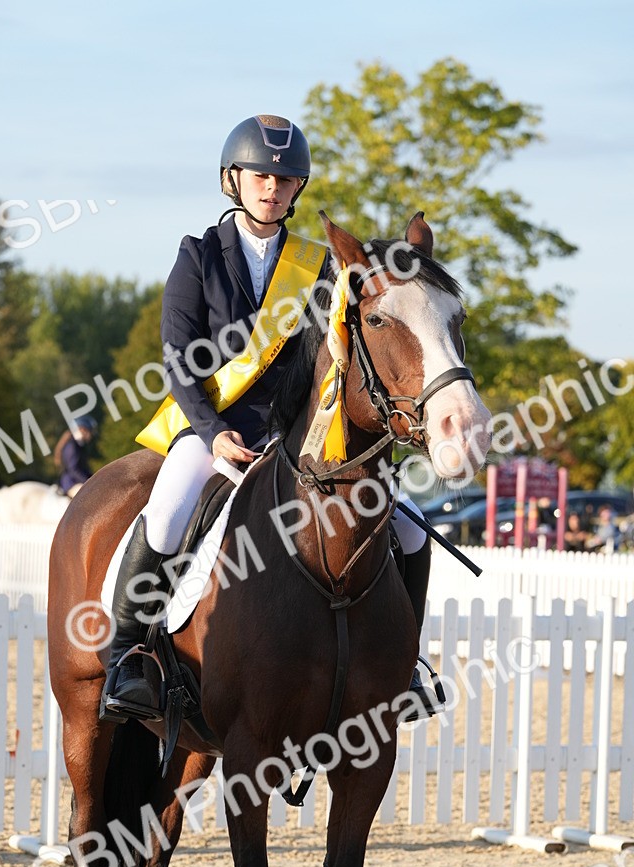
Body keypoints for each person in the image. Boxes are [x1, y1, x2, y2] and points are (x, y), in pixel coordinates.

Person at [104, 114, 441, 719]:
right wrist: (213, 433)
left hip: (299, 437)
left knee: (413, 526)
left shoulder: (316, 265)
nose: (273, 188)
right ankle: (128, 657)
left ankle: (404, 662)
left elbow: (342, 351)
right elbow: (180, 360)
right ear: (234, 180)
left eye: (286, 180)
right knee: (169, 509)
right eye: (261, 176)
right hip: (212, 428)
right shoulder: (199, 255)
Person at [55, 416, 98, 496]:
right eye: (89, 431)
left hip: (77, 481)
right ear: (82, 430)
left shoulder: (80, 446)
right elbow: (73, 469)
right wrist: (88, 481)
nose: (91, 435)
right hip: (71, 482)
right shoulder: (72, 446)